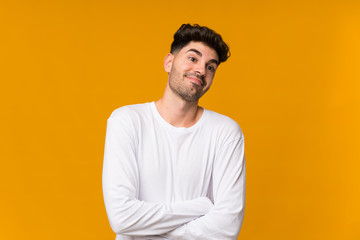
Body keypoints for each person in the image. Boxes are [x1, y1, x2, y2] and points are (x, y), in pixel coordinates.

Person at [102, 24, 246, 240]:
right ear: (169, 62)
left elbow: (227, 228)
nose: (201, 70)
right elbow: (121, 217)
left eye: (210, 67)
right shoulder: (127, 121)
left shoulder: (226, 133)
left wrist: (153, 230)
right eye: (192, 58)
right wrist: (202, 206)